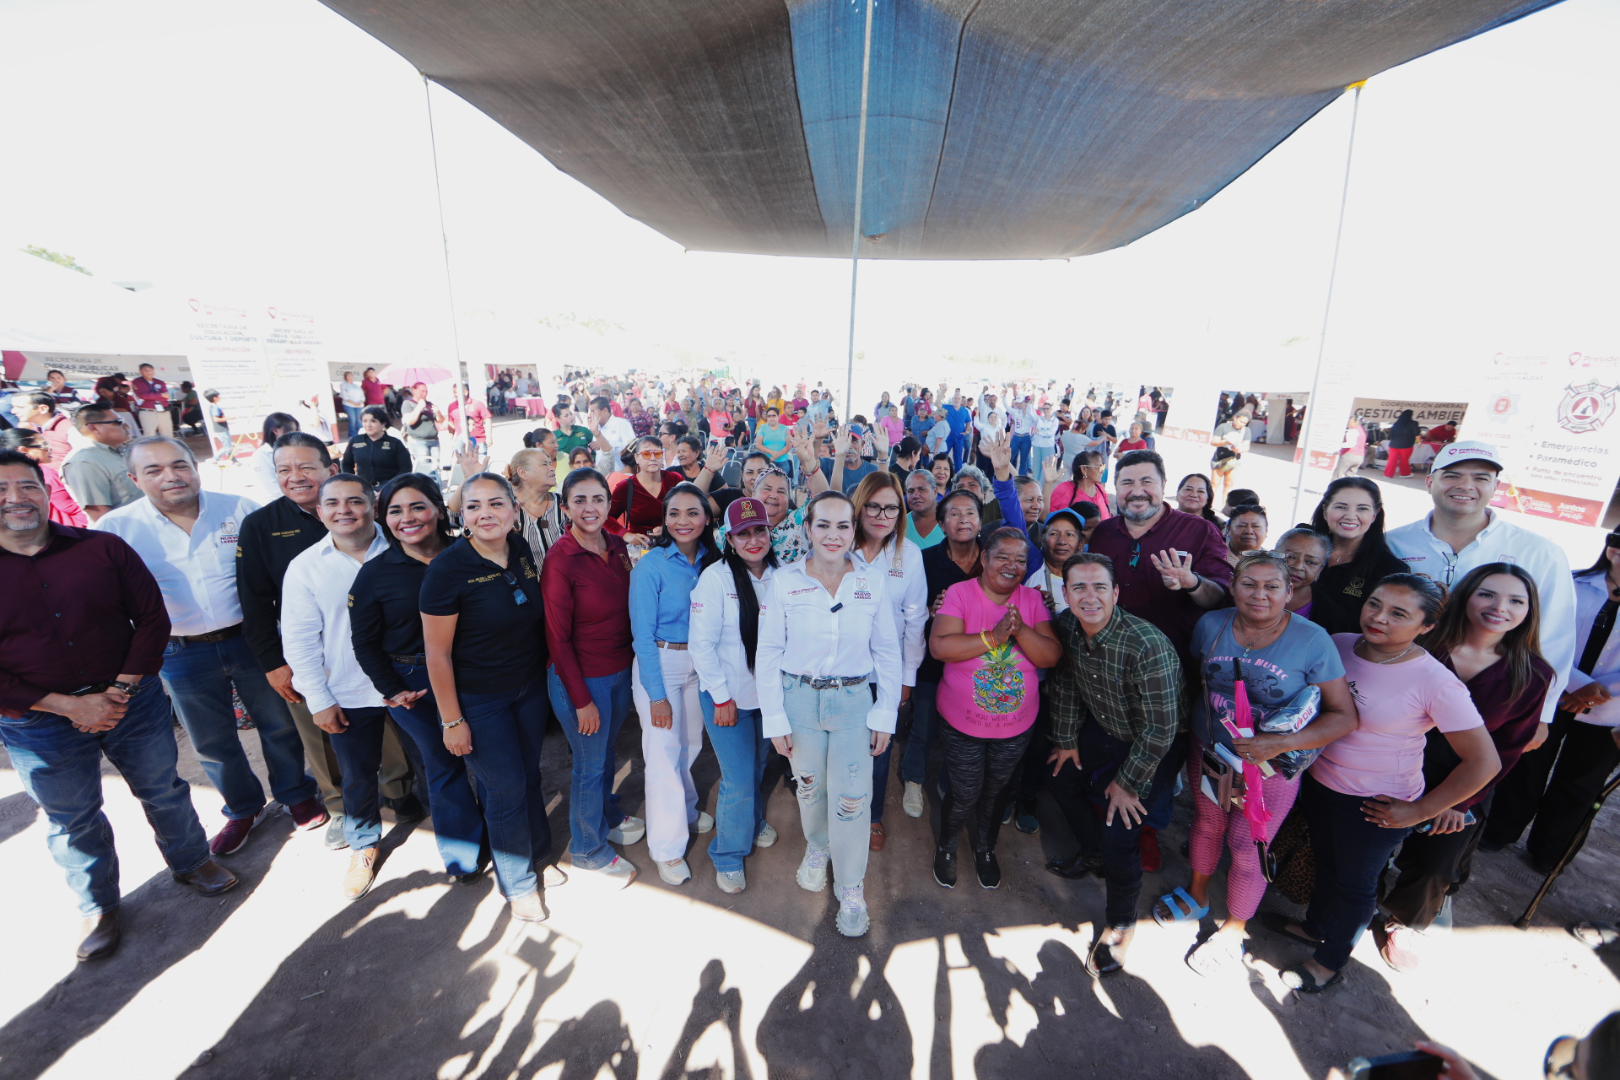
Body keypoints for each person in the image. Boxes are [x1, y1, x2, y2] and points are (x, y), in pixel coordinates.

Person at [0, 450, 237, 961]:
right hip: (38, 721)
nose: (16, 499)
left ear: (45, 492)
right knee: (72, 817)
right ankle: (99, 906)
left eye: (27, 486)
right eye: (2, 490)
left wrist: (122, 691)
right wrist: (66, 705)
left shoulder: (101, 548)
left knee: (164, 789)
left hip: (132, 700)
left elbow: (151, 617)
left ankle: (192, 861)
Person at [1266, 575, 1499, 994]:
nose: (1378, 617)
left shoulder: (1436, 681)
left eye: (1398, 614)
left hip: (1377, 803)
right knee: (1327, 864)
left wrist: (1419, 811)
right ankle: (1315, 927)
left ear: (1426, 626)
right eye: (1374, 604)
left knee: (1356, 884)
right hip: (1321, 784)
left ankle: (1329, 961)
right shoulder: (1336, 643)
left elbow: (1484, 762)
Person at [96, 435, 325, 853]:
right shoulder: (115, 530)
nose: (172, 476)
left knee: (279, 723)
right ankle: (243, 808)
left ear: (195, 466)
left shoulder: (238, 510)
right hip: (179, 651)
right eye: (154, 470)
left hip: (250, 641)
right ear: (133, 478)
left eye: (180, 464)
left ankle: (296, 793)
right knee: (211, 739)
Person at [1155, 552, 1357, 976]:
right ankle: (1198, 894)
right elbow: (1200, 678)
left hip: (1269, 768)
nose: (1259, 594)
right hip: (1210, 750)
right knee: (1206, 824)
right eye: (1249, 584)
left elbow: (1344, 716)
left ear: (1290, 592)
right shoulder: (1212, 625)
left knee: (1248, 847)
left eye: (1271, 586)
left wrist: (1278, 744)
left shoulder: (1312, 639)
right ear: (1232, 587)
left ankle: (1235, 927)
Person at [238, 432, 418, 850]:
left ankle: (402, 794)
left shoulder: (399, 546)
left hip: (404, 675)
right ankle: (355, 830)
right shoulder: (280, 542)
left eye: (306, 468)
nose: (295, 476)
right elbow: (260, 605)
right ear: (322, 513)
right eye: (284, 470)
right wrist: (280, 667)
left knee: (408, 752)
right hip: (335, 674)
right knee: (342, 756)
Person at [1369, 563, 1553, 970]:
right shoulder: (1424, 643)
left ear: (1529, 611)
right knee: (1367, 840)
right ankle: (1363, 899)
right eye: (1487, 594)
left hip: (1464, 781)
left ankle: (1407, 918)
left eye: (1515, 600)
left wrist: (1461, 801)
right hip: (1390, 764)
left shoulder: (1533, 674)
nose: (1499, 607)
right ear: (1467, 595)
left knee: (1439, 858)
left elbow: (1507, 749)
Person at [758, 490, 902, 937]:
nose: (834, 535)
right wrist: (775, 719)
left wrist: (884, 714)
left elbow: (887, 652)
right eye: (824, 525)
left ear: (853, 529)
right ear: (807, 529)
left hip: (853, 703)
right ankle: (818, 847)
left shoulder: (872, 582)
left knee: (852, 799)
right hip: (798, 700)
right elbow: (768, 653)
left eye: (843, 526)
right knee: (810, 788)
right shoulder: (784, 581)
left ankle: (852, 886)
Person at [420, 472, 555, 920]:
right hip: (479, 699)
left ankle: (537, 856)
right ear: (461, 515)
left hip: (528, 688)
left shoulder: (519, 550)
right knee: (505, 788)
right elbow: (436, 655)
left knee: (529, 776)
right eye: (474, 506)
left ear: (515, 510)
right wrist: (451, 720)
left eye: (496, 504)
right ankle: (517, 885)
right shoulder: (447, 569)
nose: (486, 514)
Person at [1045, 552, 1185, 977]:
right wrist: (1067, 740)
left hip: (1155, 742)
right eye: (1079, 588)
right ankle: (1092, 854)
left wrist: (1128, 783)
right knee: (1062, 779)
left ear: (1116, 592)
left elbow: (1161, 728)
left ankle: (1121, 924)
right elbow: (1067, 680)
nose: (1090, 597)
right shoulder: (1068, 625)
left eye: (1100, 587)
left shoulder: (1146, 644)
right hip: (1102, 727)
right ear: (1065, 593)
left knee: (1118, 826)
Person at [350, 474, 489, 885]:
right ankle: (463, 853)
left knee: (489, 757)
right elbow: (363, 641)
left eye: (417, 507)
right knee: (442, 762)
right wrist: (393, 689)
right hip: (416, 683)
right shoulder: (376, 574)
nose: (407, 518)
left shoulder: (471, 552)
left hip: (479, 671)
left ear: (438, 509)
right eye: (395, 510)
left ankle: (506, 835)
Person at [1386, 441, 1575, 730]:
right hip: (1401, 686)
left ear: (1496, 487)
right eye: (1452, 475)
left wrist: (1543, 712)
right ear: (1429, 482)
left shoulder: (1540, 552)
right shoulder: (1393, 543)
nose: (1465, 485)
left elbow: (1555, 634)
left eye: (1480, 478)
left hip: (1496, 694)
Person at [281, 474, 402, 898]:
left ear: (374, 504)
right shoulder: (306, 567)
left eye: (355, 501)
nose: (344, 510)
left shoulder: (403, 546)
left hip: (411, 685)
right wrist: (319, 699)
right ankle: (364, 844)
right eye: (333, 503)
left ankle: (458, 831)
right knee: (357, 775)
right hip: (349, 690)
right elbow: (298, 640)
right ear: (319, 512)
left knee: (435, 762)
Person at [928, 526, 1060, 888]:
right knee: (965, 790)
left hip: (1016, 726)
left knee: (997, 789)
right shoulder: (959, 593)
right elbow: (940, 646)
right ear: (984, 558)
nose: (1011, 565)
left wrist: (1019, 631)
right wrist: (994, 636)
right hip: (962, 723)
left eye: (1020, 560)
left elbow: (1049, 656)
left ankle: (985, 847)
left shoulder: (1032, 601)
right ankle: (948, 846)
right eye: (1002, 556)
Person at [1483, 534, 1620, 870]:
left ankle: (1551, 852)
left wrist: (1603, 689)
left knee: (1580, 783)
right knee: (1526, 766)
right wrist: (1578, 683)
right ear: (1613, 549)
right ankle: (1498, 831)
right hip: (1553, 693)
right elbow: (1543, 634)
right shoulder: (1573, 583)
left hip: (1610, 709)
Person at [542, 468, 642, 884]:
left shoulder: (616, 545)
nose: (590, 508)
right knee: (589, 764)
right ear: (565, 508)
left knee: (603, 757)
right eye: (579, 500)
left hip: (619, 672)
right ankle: (588, 848)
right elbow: (557, 640)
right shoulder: (560, 559)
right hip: (582, 680)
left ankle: (605, 812)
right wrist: (581, 699)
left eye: (597, 499)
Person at [629, 483, 722, 885]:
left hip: (699, 662)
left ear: (706, 519)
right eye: (674, 513)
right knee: (664, 753)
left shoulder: (713, 560)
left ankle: (684, 808)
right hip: (661, 662)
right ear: (665, 520)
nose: (683, 521)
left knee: (690, 745)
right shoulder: (651, 565)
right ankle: (666, 849)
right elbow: (642, 636)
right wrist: (656, 695)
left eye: (692, 513)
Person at [689, 497, 780, 893]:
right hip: (727, 698)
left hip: (769, 698)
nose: (753, 539)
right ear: (729, 538)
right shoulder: (716, 578)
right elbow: (701, 646)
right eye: (743, 534)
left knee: (758, 768)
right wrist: (722, 698)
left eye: (759, 530)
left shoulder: (783, 575)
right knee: (739, 779)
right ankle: (727, 855)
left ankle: (752, 821)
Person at [849, 473, 928, 853]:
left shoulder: (908, 555)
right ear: (859, 505)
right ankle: (837, 814)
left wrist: (907, 675)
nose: (883, 515)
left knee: (878, 748)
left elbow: (915, 620)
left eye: (892, 508)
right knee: (838, 746)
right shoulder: (837, 544)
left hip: (885, 672)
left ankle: (873, 814)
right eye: (874, 505)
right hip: (838, 671)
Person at [1310, 476, 1409, 621]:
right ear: (1325, 510)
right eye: (1341, 507)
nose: (1350, 516)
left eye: (1362, 509)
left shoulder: (1390, 570)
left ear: (1375, 514)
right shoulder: (1300, 544)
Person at [61, 406, 141, 522]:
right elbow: (98, 513)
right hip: (126, 532)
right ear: (93, 427)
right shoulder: (84, 461)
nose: (127, 426)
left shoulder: (116, 450)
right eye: (118, 422)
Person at [1275, 527, 1356, 634]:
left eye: (1311, 562)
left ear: (1320, 569)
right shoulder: (1246, 593)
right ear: (1272, 555)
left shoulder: (1332, 615)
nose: (1298, 566)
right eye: (1291, 557)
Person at [611, 436, 689, 543]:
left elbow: (689, 510)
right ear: (637, 458)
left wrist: (668, 528)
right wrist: (625, 534)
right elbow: (606, 518)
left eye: (657, 454)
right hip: (640, 549)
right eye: (646, 454)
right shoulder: (625, 486)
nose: (652, 458)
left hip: (673, 544)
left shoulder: (675, 479)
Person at [0, 428, 86, 526]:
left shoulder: (7, 475)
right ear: (24, 450)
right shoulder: (43, 473)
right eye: (44, 445)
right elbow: (70, 507)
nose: (49, 449)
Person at [505, 449, 562, 564]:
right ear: (522, 472)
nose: (552, 468)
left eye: (550, 464)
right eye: (544, 464)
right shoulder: (505, 507)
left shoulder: (563, 504)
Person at [342, 406, 411, 489]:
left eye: (373, 421)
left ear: (383, 423)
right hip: (363, 488)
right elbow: (346, 464)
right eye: (365, 421)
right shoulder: (355, 441)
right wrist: (353, 482)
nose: (368, 425)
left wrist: (392, 486)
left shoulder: (395, 443)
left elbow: (405, 468)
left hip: (389, 487)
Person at [11, 391, 72, 464]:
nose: (13, 411)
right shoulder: (30, 428)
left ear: (43, 409)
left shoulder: (69, 428)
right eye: (13, 407)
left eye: (20, 407)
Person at [1049, 451, 1111, 523]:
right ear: (1084, 469)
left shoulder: (1100, 489)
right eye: (1098, 467)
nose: (1102, 471)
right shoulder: (1063, 490)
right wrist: (1048, 484)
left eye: (1102, 466)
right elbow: (1049, 518)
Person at [251, 412, 302, 496]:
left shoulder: (296, 450)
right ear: (275, 431)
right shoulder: (262, 455)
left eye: (296, 430)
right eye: (290, 430)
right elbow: (274, 489)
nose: (294, 434)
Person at [1208, 411, 1251, 503]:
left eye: (1244, 423)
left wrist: (1238, 449)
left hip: (1234, 460)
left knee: (1228, 484)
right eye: (1241, 421)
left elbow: (1246, 447)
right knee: (1214, 483)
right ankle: (1208, 504)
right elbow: (1213, 442)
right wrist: (1226, 442)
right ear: (1235, 418)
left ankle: (1225, 506)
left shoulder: (1246, 431)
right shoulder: (1223, 427)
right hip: (1219, 458)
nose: (1242, 424)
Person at [588, 395, 637, 475]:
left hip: (620, 473)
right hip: (602, 475)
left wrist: (605, 445)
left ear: (605, 410)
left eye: (593, 411)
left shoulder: (622, 423)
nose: (591, 415)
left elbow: (632, 447)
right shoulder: (596, 427)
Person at [401, 384, 442, 472]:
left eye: (426, 391)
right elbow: (409, 421)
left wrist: (437, 412)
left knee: (436, 465)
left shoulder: (429, 404)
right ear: (414, 390)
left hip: (433, 440)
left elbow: (440, 420)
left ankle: (435, 483)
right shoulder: (408, 403)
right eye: (422, 391)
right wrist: (419, 407)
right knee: (424, 466)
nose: (424, 394)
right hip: (418, 440)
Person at [130, 363, 173, 437]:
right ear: (141, 371)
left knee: (168, 434)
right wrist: (160, 395)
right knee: (149, 434)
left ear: (153, 371)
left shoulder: (160, 382)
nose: (148, 371)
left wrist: (150, 396)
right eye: (145, 370)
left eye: (150, 370)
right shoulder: (137, 381)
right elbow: (141, 396)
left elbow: (166, 397)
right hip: (148, 411)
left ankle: (169, 448)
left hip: (163, 411)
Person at [904, 469, 943, 549]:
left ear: (935, 491)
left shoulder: (949, 521)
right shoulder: (900, 524)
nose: (915, 495)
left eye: (921, 490)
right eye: (911, 491)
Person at [1383, 408, 1421, 478]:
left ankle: (1388, 474)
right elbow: (1417, 433)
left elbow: (1391, 434)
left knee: (1391, 460)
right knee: (1404, 460)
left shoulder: (1396, 423)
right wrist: (1419, 442)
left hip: (1393, 444)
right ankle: (1404, 474)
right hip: (1406, 445)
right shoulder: (1414, 423)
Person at [1334, 415, 1367, 479]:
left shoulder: (1353, 431)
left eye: (1350, 421)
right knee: (1350, 477)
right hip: (1360, 457)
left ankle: (1334, 488)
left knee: (1337, 475)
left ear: (1356, 422)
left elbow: (1350, 444)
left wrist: (1338, 445)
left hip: (1349, 456)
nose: (1349, 422)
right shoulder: (1362, 430)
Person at [337, 371, 366, 436]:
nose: (350, 377)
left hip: (359, 405)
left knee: (359, 420)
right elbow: (344, 396)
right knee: (352, 420)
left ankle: (361, 434)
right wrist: (354, 403)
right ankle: (352, 435)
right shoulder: (343, 385)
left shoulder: (356, 386)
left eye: (351, 375)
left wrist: (361, 402)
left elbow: (362, 395)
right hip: (349, 405)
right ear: (345, 377)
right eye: (348, 375)